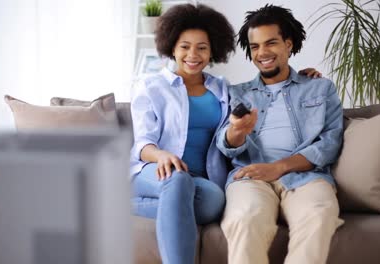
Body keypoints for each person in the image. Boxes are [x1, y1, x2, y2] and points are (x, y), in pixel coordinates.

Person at [130, 4, 321, 264]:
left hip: (201, 183)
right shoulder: (152, 87)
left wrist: (303, 78)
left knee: (215, 203)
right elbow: (142, 142)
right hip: (155, 171)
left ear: (213, 51)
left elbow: (263, 91)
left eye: (202, 47)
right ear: (172, 47)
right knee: (178, 181)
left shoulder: (221, 88)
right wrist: (161, 155)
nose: (193, 54)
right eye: (185, 46)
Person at [216, 4, 344, 264]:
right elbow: (225, 145)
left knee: (319, 214)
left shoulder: (319, 88)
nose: (262, 52)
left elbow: (330, 142)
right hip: (250, 176)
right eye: (255, 47)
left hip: (306, 176)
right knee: (244, 218)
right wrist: (237, 131)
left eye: (271, 43)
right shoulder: (237, 94)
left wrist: (279, 168)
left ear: (288, 43)